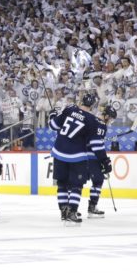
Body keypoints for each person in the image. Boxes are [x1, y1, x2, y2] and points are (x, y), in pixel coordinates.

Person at [48, 93, 108, 226]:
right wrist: (104, 160)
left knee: (62, 184)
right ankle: (72, 212)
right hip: (76, 156)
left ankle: (64, 211)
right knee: (76, 185)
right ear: (92, 105)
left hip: (58, 152)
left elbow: (53, 126)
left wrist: (52, 115)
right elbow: (95, 144)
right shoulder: (92, 120)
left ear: (81, 101)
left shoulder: (69, 109)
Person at [86, 105, 117, 218]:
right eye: (112, 118)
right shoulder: (101, 124)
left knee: (77, 182)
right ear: (107, 116)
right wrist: (104, 160)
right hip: (91, 157)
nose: (111, 121)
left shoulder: (95, 120)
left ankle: (70, 208)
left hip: (83, 155)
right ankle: (92, 207)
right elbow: (96, 144)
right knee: (98, 181)